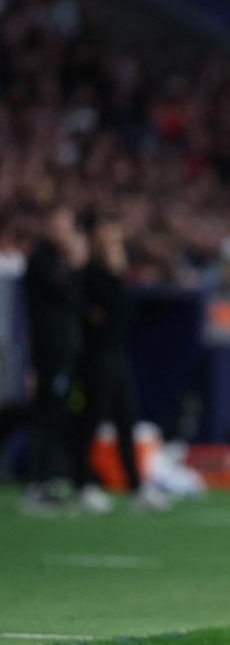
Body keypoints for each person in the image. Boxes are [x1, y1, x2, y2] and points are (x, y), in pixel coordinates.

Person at [71, 217, 169, 511]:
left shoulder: (115, 278)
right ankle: (83, 483)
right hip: (97, 357)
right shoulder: (90, 276)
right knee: (91, 420)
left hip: (117, 355)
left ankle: (136, 485)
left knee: (127, 420)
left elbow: (121, 315)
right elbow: (99, 318)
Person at [23, 206, 112, 513]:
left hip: (70, 354)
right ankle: (38, 484)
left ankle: (70, 480)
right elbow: (56, 293)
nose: (64, 233)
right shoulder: (42, 259)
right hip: (49, 354)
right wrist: (76, 262)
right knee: (47, 417)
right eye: (58, 225)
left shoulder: (64, 263)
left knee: (68, 417)